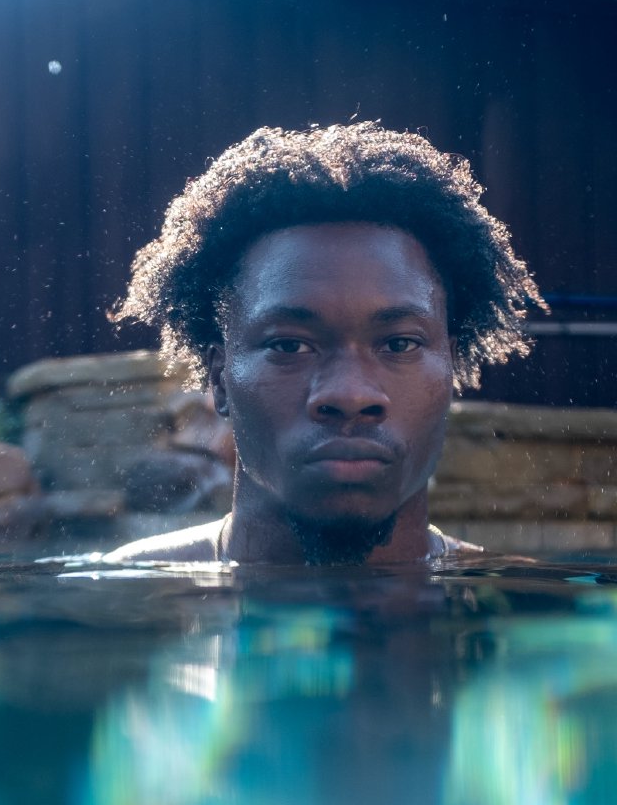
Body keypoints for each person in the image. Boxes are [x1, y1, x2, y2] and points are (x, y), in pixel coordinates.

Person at [104, 122, 545, 565]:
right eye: (289, 346)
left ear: (450, 366)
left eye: (399, 344)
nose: (350, 395)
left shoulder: (528, 605)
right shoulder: (126, 599)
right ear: (220, 380)